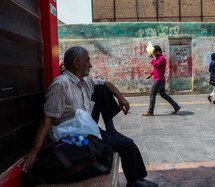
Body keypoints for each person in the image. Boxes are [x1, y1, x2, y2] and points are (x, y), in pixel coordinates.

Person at [20, 46, 158, 187]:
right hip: (72, 136)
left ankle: (112, 132)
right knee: (127, 145)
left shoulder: (85, 82)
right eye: (87, 60)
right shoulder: (61, 85)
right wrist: (35, 150)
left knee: (103, 89)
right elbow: (47, 119)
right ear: (76, 63)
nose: (90, 65)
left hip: (86, 129)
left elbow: (105, 82)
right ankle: (134, 181)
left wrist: (120, 97)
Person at [142, 45, 181, 116]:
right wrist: (150, 75)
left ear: (158, 51)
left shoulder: (162, 58)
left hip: (158, 80)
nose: (153, 54)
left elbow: (156, 65)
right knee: (163, 95)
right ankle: (176, 106)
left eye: (154, 52)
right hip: (160, 80)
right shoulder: (158, 58)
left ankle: (150, 111)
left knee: (152, 94)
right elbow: (156, 69)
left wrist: (151, 58)